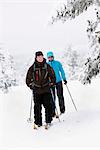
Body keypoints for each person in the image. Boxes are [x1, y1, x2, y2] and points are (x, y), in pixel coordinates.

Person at [26, 51, 56, 129]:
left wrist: (52, 83)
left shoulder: (47, 66)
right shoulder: (33, 67)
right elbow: (28, 78)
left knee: (48, 106)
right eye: (38, 57)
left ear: (43, 57)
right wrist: (30, 85)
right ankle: (38, 122)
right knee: (37, 107)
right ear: (36, 58)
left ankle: (48, 121)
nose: (40, 58)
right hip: (37, 90)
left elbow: (53, 75)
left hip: (46, 89)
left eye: (41, 56)